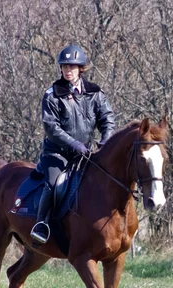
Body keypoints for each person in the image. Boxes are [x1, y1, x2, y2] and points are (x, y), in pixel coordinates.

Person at [30, 44, 115, 244]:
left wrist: (106, 140)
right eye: (64, 66)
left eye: (72, 67)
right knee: (53, 185)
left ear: (80, 69)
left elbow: (107, 119)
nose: (67, 70)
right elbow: (51, 128)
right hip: (57, 153)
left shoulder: (95, 92)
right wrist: (74, 144)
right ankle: (41, 225)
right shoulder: (52, 94)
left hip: (85, 153)